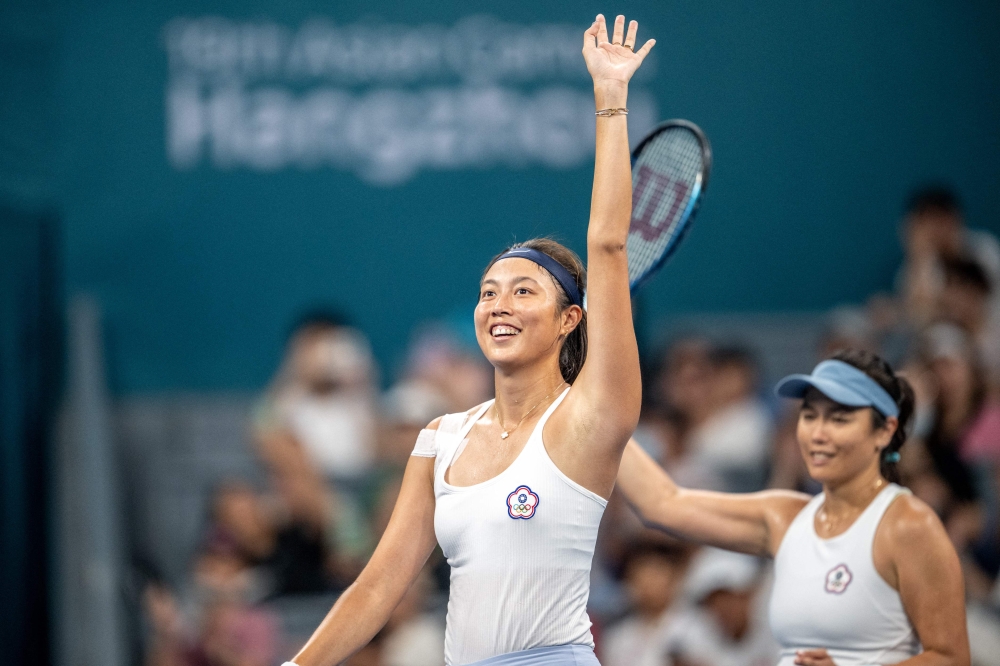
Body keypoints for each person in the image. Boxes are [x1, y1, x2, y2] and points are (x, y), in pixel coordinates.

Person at [284, 14, 654, 666]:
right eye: (488, 292)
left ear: (570, 319)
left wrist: (610, 99)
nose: (497, 305)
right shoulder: (439, 439)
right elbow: (375, 589)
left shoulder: (593, 416)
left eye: (523, 291)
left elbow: (608, 245)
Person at [617, 349, 970, 666]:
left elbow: (951, 658)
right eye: (810, 415)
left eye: (839, 419)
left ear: (884, 431)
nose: (817, 433)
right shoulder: (785, 517)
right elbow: (661, 503)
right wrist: (591, 394)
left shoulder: (909, 525)